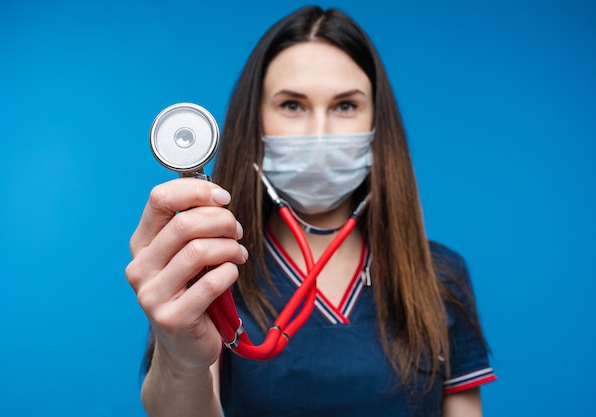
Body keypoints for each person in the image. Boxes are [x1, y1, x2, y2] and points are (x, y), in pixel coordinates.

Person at [126, 5, 496, 417]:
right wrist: (181, 357)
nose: (319, 131)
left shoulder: (441, 276)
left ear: (378, 125)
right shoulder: (213, 272)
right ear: (256, 124)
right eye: (292, 105)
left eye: (345, 106)